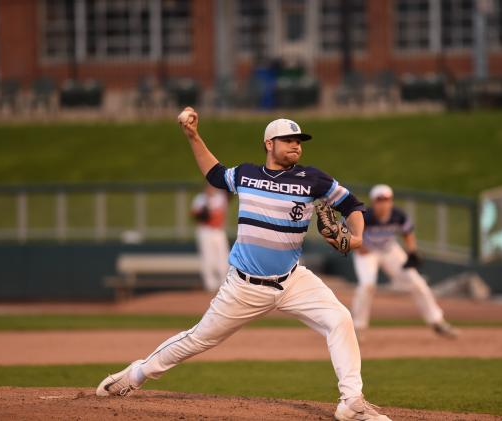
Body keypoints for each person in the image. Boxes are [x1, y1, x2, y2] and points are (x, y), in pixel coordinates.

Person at [96, 109, 392, 421]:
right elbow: (214, 173)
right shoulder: (247, 175)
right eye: (288, 140)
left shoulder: (313, 179)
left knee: (340, 319)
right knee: (198, 339)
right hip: (244, 286)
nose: (296, 145)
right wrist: (193, 136)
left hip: (293, 280)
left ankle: (351, 403)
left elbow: (352, 205)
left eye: (299, 141)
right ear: (269, 143)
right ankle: (136, 374)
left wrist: (356, 239)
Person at [351, 184, 457, 339]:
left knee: (417, 282)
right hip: (368, 252)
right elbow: (353, 234)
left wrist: (412, 250)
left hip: (389, 250)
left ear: (391, 201)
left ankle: (437, 321)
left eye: (387, 199)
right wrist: (359, 248)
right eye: (380, 199)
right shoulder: (366, 215)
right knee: (367, 285)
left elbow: (407, 232)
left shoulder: (398, 215)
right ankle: (358, 327)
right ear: (374, 202)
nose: (384, 203)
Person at [191, 184, 229, 292]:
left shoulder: (220, 197)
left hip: (218, 231)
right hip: (205, 231)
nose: (210, 189)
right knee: (207, 257)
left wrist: (207, 213)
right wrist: (204, 213)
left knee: (223, 257)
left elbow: (218, 217)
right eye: (208, 186)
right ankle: (210, 284)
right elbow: (195, 214)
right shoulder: (200, 198)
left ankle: (224, 283)